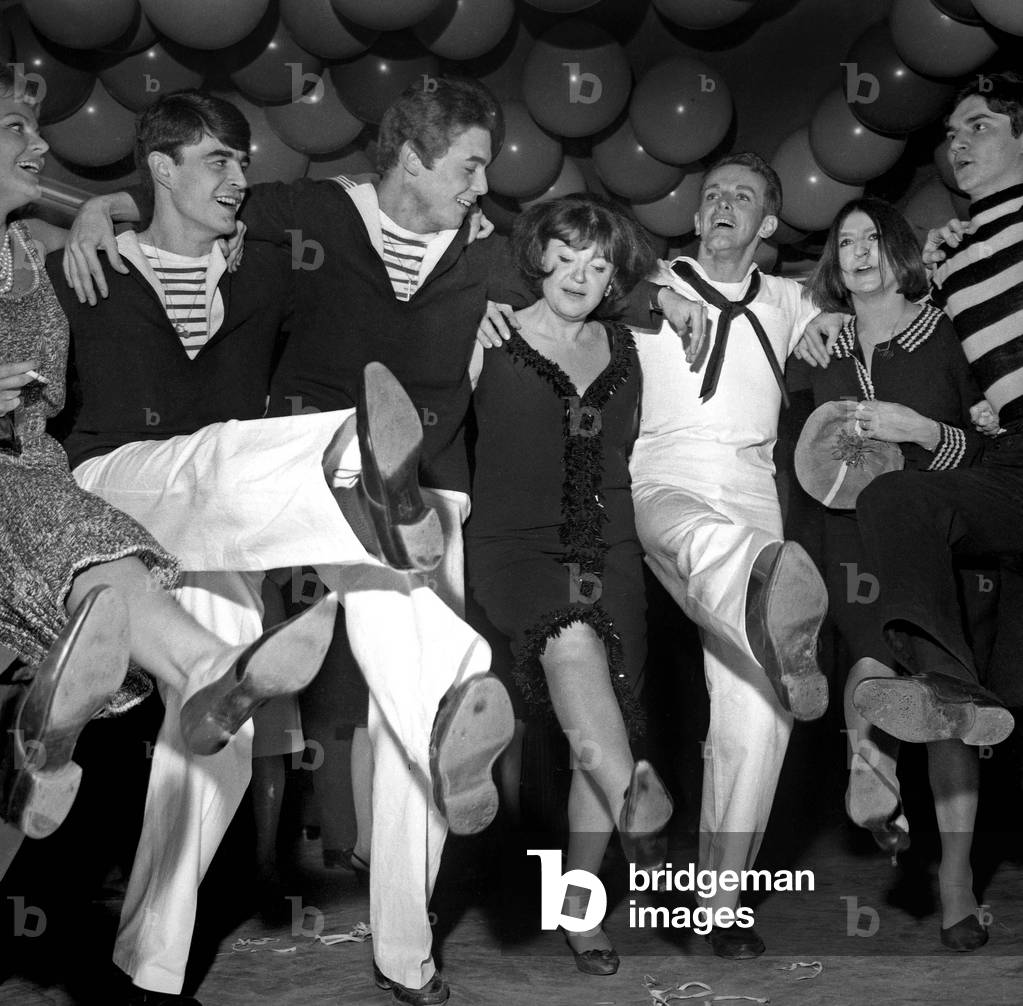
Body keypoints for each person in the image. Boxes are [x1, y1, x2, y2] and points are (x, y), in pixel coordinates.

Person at [62, 81, 520, 1006]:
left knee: (422, 714)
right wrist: (92, 213)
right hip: (286, 479)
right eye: (469, 164)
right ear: (414, 154)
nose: (482, 184)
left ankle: (407, 955)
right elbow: (173, 196)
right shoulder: (298, 213)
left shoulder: (492, 251)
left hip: (418, 495)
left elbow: (597, 282)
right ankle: (150, 961)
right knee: (218, 709)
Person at [0, 68, 337, 868]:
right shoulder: (76, 267)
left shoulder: (29, 259)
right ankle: (353, 481)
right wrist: (103, 211)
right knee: (98, 534)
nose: (41, 142)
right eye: (17, 128)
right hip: (65, 484)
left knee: (115, 572)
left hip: (37, 482)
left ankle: (161, 699)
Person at [626, 153, 830, 959]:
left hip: (751, 488)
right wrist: (656, 296)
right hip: (663, 480)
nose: (721, 205)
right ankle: (757, 587)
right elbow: (554, 266)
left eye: (741, 197)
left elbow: (876, 283)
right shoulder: (646, 278)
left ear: (767, 226)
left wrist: (833, 314)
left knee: (758, 711)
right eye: (711, 194)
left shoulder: (786, 299)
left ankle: (717, 903)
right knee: (709, 546)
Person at [465, 194, 672, 975]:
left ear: (614, 274)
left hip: (612, 553)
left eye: (598, 261)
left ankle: (580, 909)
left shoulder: (630, 347)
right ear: (538, 256)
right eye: (567, 254)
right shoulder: (488, 335)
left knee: (607, 713)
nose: (580, 273)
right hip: (514, 548)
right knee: (571, 642)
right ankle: (638, 816)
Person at [802, 73, 1023, 755]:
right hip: (1013, 462)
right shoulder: (949, 260)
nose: (958, 142)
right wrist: (815, 320)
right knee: (897, 496)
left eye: (979, 126)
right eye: (951, 133)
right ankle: (947, 687)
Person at [803, 197, 989, 950]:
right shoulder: (821, 345)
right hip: (849, 535)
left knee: (943, 700)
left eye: (872, 238)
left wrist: (922, 431)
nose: (857, 251)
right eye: (844, 241)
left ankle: (954, 877)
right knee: (868, 656)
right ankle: (870, 771)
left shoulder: (948, 334)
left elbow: (991, 454)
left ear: (899, 249)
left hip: (942, 537)